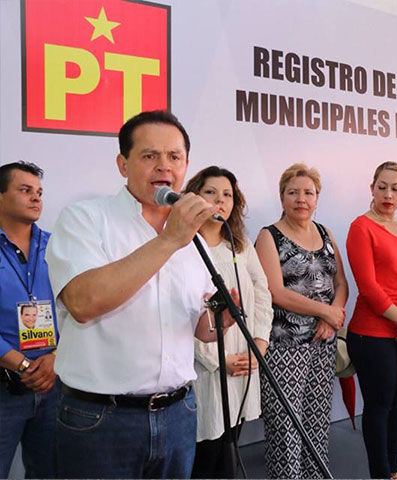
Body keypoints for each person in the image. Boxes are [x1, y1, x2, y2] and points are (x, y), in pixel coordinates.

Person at [46, 110, 234, 479]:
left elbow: (201, 328)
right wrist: (169, 240)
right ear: (123, 164)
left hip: (179, 413)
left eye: (174, 156)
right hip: (100, 419)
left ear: (186, 165)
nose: (164, 166)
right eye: (150, 156)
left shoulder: (194, 238)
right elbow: (83, 303)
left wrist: (222, 318)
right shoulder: (85, 218)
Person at [255, 163, 348, 479]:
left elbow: (341, 284)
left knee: (317, 421)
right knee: (285, 425)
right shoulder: (269, 236)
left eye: (308, 193)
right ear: (282, 197)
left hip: (324, 342)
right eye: (293, 192)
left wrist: (333, 317)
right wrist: (323, 311)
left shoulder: (325, 233)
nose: (301, 199)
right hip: (285, 347)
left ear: (317, 197)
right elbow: (276, 292)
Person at [184, 166, 273, 478]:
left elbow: (262, 292)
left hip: (243, 363)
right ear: (194, 196)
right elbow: (178, 313)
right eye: (210, 192)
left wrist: (259, 344)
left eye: (227, 195)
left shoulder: (240, 244)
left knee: (229, 449)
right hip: (204, 369)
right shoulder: (182, 246)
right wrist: (218, 360)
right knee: (204, 453)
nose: (219, 200)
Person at [345, 161, 397, 479]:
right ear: (372, 188)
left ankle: (393, 471)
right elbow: (368, 287)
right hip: (372, 333)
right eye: (382, 187)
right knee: (379, 406)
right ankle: (381, 474)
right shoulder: (361, 227)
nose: (388, 194)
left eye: (395, 189)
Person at [0, 161, 58, 479]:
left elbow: (76, 308)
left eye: (39, 192)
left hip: (54, 383)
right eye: (25, 190)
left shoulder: (57, 245)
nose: (36, 198)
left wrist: (55, 358)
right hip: (5, 385)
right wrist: (22, 365)